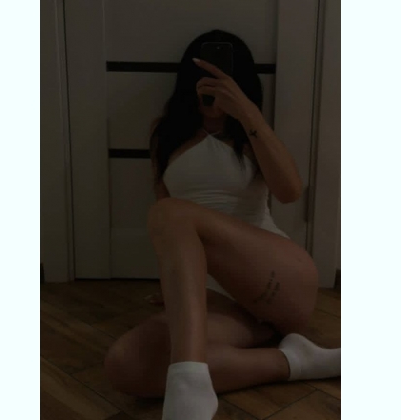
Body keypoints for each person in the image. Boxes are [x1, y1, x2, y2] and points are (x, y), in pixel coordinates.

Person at [104, 30, 341, 420]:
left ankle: (189, 377)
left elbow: (289, 191)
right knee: (125, 364)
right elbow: (167, 225)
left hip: (275, 276)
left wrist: (246, 112)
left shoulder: (252, 132)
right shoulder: (166, 134)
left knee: (171, 213)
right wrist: (175, 284)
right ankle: (295, 361)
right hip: (218, 298)